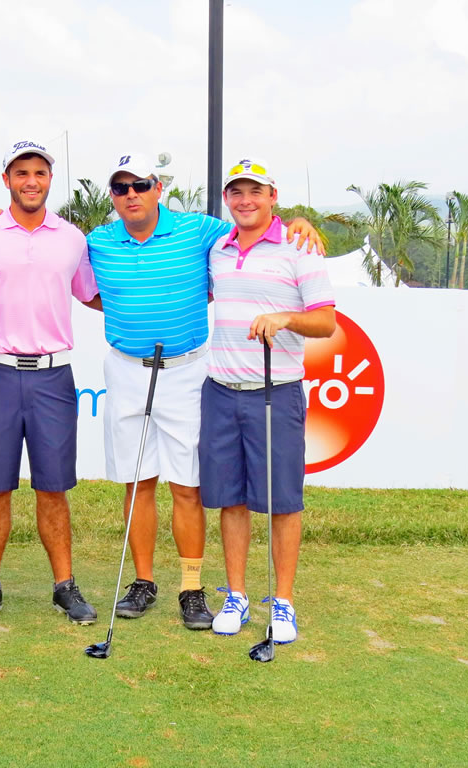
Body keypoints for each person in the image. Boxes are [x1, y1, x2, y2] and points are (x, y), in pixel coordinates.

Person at [85, 153, 323, 631]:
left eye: (140, 184)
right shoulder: (96, 241)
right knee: (137, 482)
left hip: (187, 368)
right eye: (121, 187)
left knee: (187, 485)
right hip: (127, 368)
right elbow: (80, 284)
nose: (131, 194)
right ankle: (143, 581)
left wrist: (299, 221)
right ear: (112, 195)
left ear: (158, 188)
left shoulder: (201, 231)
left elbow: (255, 225)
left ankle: (191, 588)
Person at [0, 140, 100, 627]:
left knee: (53, 487)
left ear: (49, 179)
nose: (31, 181)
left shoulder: (72, 238)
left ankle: (65, 586)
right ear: (7, 180)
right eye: (21, 173)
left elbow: (93, 293)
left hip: (53, 376)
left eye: (39, 172)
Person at [202, 159, 335, 643]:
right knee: (231, 499)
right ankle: (236, 595)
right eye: (236, 192)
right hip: (221, 390)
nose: (246, 201)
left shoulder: (300, 247)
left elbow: (326, 323)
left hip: (276, 391)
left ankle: (283, 601)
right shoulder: (218, 248)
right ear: (226, 199)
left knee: (282, 502)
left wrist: (286, 318)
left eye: (255, 191)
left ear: (273, 196)